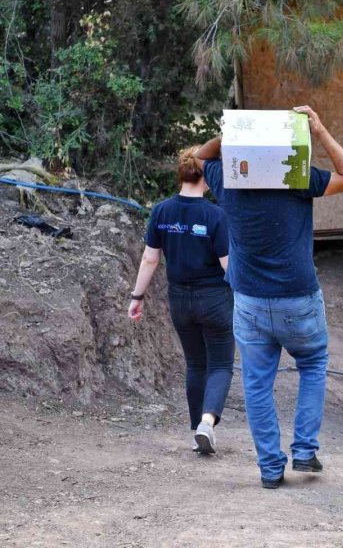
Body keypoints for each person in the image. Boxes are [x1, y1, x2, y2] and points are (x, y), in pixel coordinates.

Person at [195, 105, 343, 489]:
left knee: (257, 384)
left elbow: (199, 155)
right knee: (313, 364)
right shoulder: (297, 178)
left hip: (250, 301)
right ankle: (304, 450)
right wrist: (319, 130)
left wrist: (235, 134)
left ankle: (271, 468)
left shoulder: (228, 182)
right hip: (297, 296)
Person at [128, 148, 233, 455]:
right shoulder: (216, 215)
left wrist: (137, 297)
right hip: (214, 299)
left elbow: (149, 259)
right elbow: (228, 266)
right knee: (222, 364)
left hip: (179, 301)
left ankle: (197, 431)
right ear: (207, 175)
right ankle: (207, 423)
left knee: (196, 364)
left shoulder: (161, 211)